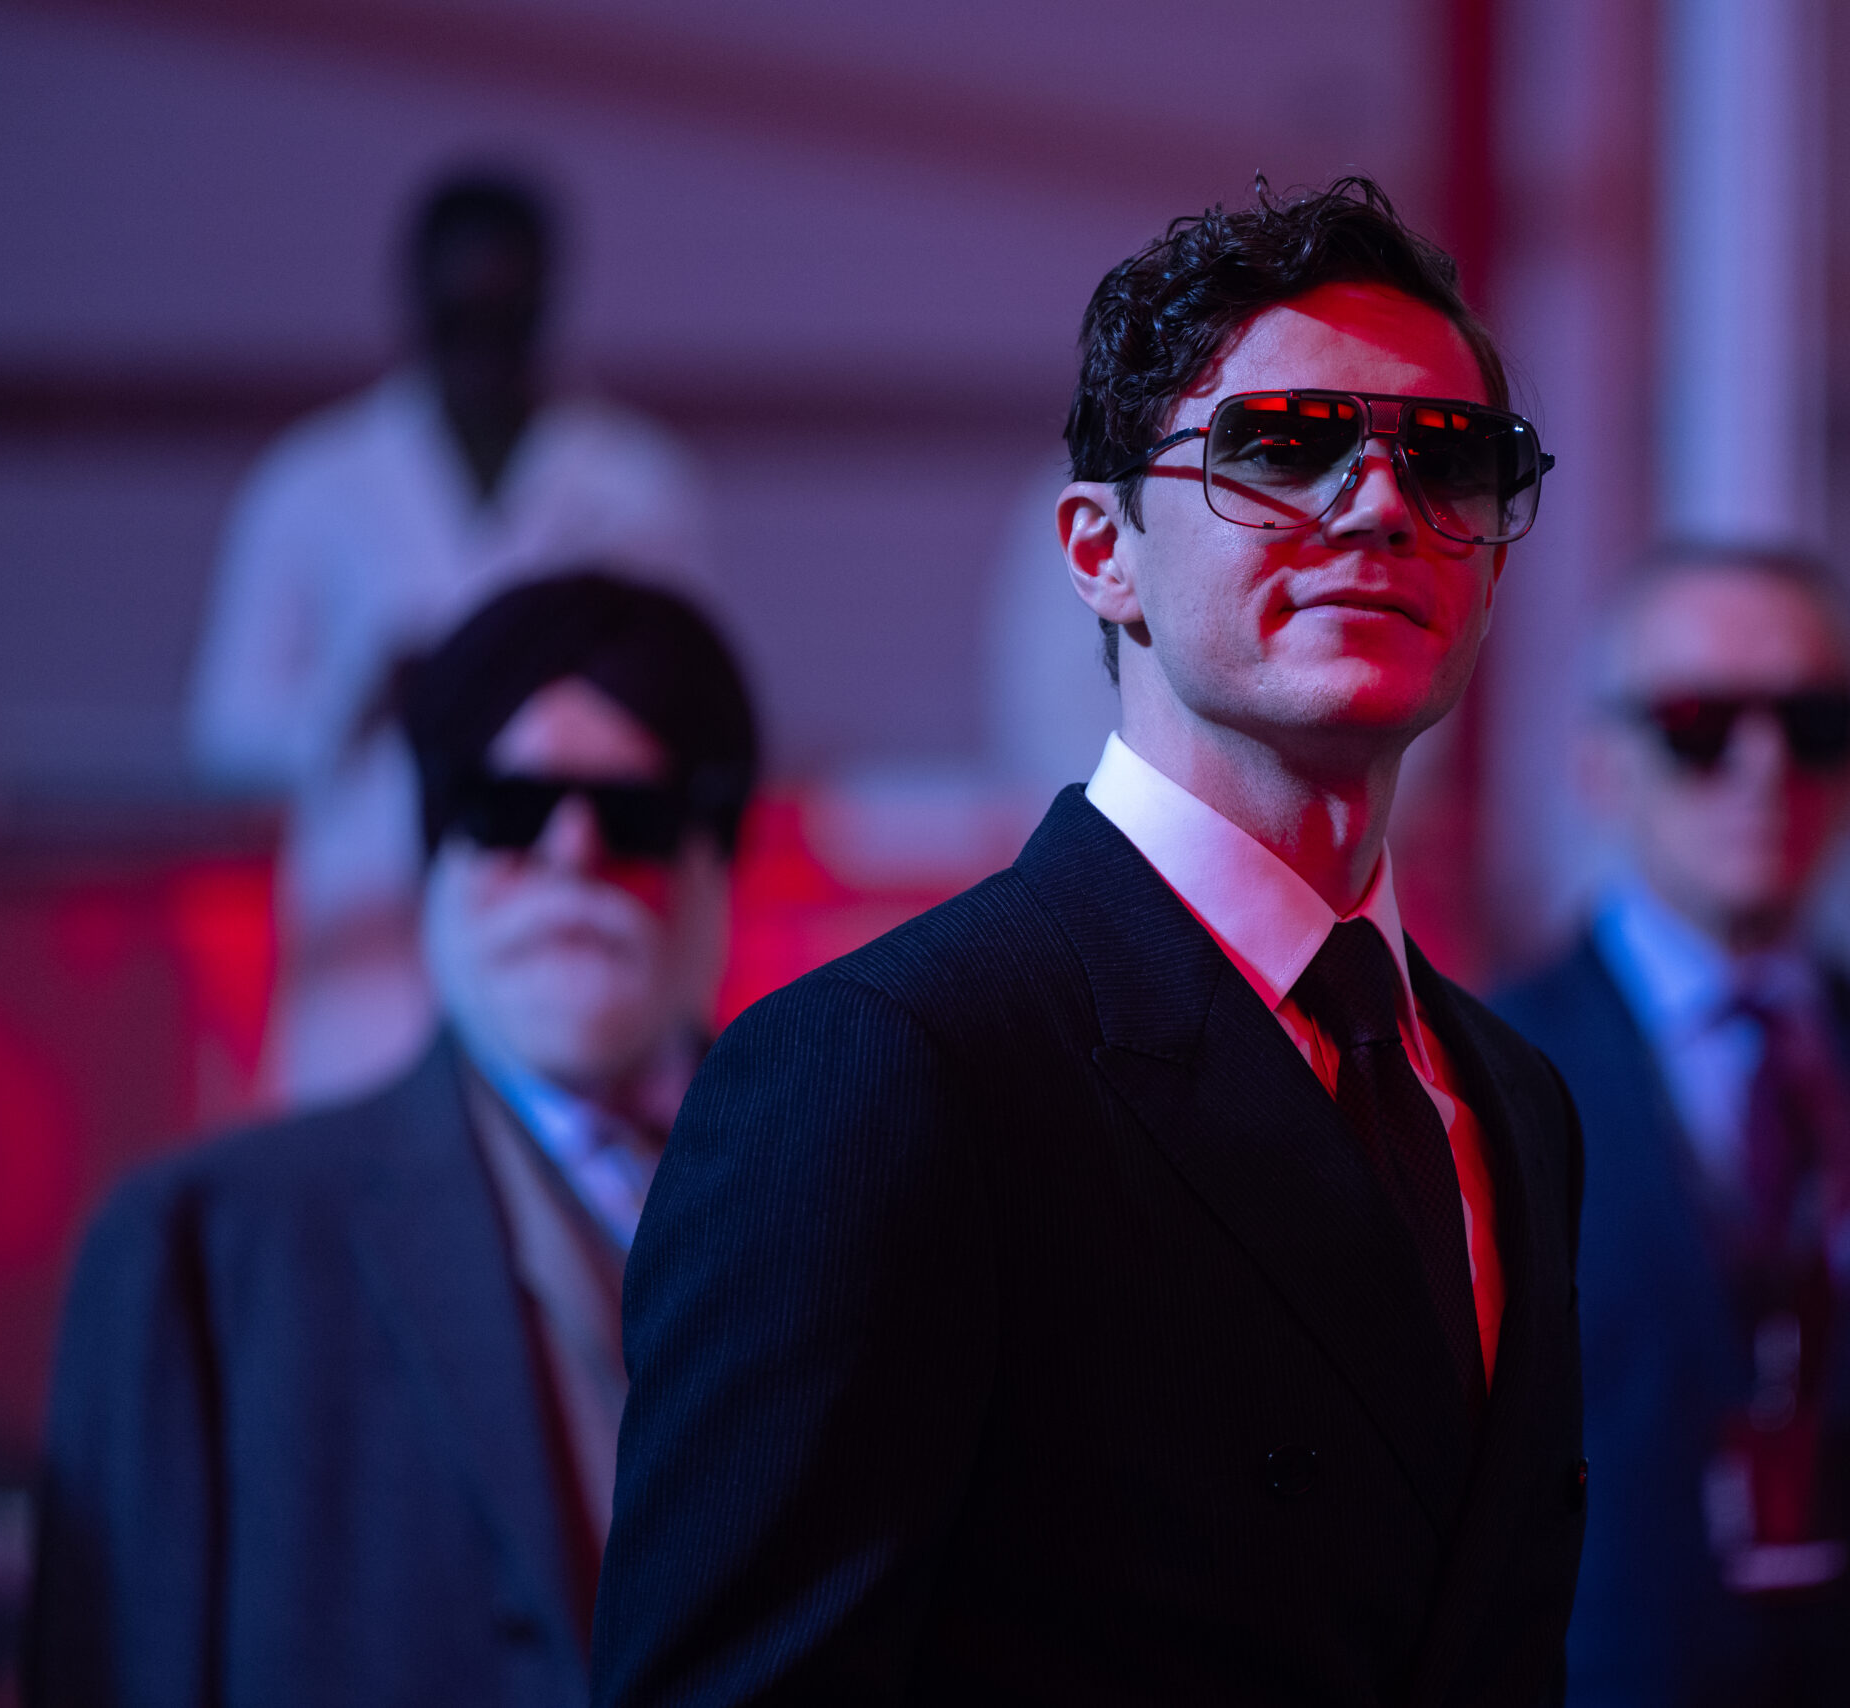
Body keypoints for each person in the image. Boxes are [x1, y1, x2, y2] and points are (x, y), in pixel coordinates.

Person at [591, 177, 1584, 1707]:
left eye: (1450, 458)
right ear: (1099, 548)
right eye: (1286, 445)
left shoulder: (1513, 1100)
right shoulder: (882, 1070)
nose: (1383, 504)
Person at [31, 572, 758, 1706]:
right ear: (434, 852)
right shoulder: (204, 1254)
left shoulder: (859, 1223)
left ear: (715, 861)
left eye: (635, 819)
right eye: (507, 810)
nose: (571, 855)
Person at [1493, 546, 1850, 1708]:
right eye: (1700, 724)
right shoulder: (1478, 1074)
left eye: (1810, 724)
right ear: (1599, 765)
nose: (1762, 765)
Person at [189, 166, 713, 1108]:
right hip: (369, 931)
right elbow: (226, 731)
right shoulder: (315, 482)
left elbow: (697, 712)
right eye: (459, 315)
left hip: (569, 905)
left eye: (506, 315)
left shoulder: (636, 483)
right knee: (365, 1168)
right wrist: (356, 702)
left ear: (548, 304)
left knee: (572, 1157)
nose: (482, 343)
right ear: (413, 304)